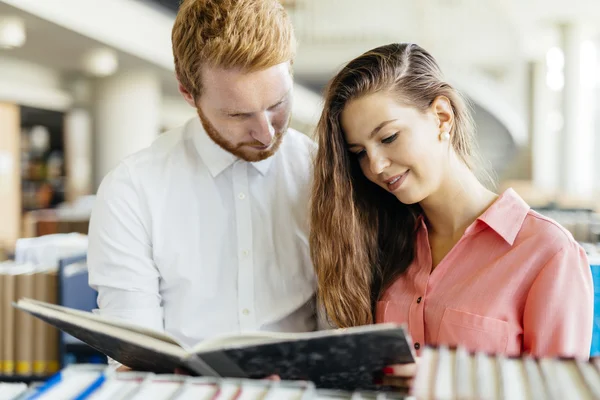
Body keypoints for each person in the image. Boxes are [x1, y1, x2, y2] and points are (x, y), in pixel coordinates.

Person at [309, 42, 593, 385]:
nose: (377, 166)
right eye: (360, 153)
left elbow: (560, 393)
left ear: (442, 117)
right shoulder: (383, 245)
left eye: (389, 137)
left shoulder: (548, 252)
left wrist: (446, 382)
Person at [87, 0, 318, 370]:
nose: (265, 132)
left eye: (277, 103)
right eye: (238, 114)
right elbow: (133, 359)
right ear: (188, 93)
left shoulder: (321, 172)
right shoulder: (131, 190)